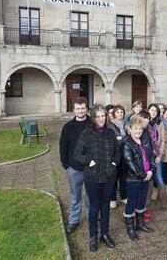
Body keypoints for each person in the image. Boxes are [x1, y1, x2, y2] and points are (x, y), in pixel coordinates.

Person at [74, 105, 121, 252]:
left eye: (103, 116)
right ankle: (93, 236)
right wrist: (89, 161)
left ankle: (105, 234)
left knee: (105, 206)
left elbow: (117, 152)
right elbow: (77, 154)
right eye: (98, 116)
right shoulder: (86, 134)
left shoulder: (110, 133)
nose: (101, 119)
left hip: (109, 176)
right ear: (93, 118)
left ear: (107, 117)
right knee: (94, 208)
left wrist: (113, 163)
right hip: (93, 177)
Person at [59, 97, 91, 234]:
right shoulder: (67, 127)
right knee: (75, 196)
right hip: (74, 169)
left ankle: (92, 218)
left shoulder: (93, 124)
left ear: (86, 109)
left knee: (91, 195)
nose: (80, 111)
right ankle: (74, 220)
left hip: (91, 167)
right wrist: (67, 166)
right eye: (78, 108)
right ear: (73, 110)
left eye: (83, 108)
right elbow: (63, 148)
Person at [123, 116, 156, 241]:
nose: (138, 131)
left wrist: (152, 171)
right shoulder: (127, 143)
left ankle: (140, 224)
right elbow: (130, 163)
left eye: (140, 129)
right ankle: (130, 228)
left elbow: (151, 157)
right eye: (135, 129)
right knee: (131, 202)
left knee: (142, 201)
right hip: (134, 179)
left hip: (147, 176)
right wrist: (144, 175)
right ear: (130, 129)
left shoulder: (145, 139)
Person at [147, 103, 167, 208]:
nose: (153, 112)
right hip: (146, 155)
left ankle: (164, 202)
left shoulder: (160, 123)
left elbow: (163, 139)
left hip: (157, 154)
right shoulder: (145, 122)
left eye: (155, 111)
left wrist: (160, 154)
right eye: (152, 110)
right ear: (148, 111)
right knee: (146, 178)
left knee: (159, 177)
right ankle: (145, 203)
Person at [109, 104, 128, 209]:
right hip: (114, 155)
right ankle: (112, 198)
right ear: (114, 114)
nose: (120, 114)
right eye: (118, 112)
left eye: (121, 112)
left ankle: (124, 196)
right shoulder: (110, 125)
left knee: (123, 177)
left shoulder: (126, 123)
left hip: (124, 155)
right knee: (113, 177)